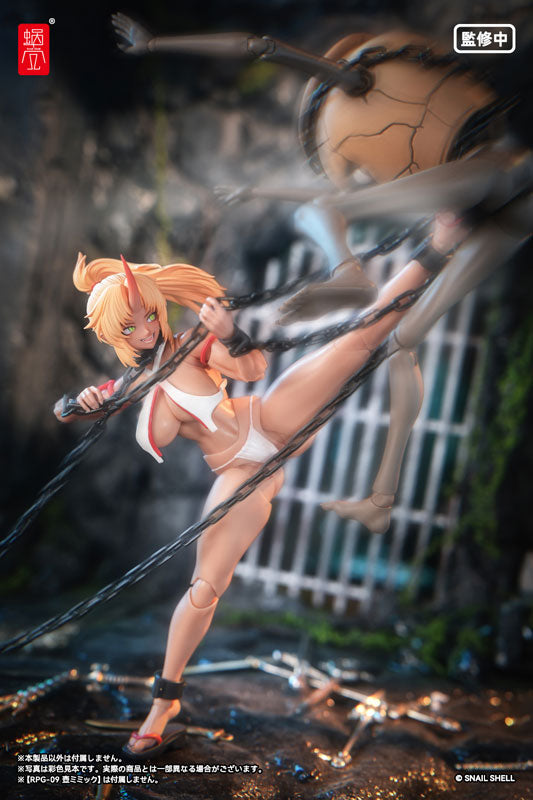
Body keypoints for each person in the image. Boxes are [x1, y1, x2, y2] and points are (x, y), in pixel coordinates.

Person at [54, 221, 464, 757]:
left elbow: (253, 366)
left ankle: (440, 244)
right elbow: (76, 409)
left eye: (150, 315)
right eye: (131, 327)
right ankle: (164, 704)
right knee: (205, 588)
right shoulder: (128, 386)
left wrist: (228, 333)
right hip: (241, 471)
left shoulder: (193, 345)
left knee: (360, 336)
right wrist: (78, 404)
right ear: (115, 336)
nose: (146, 329)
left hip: (269, 419)